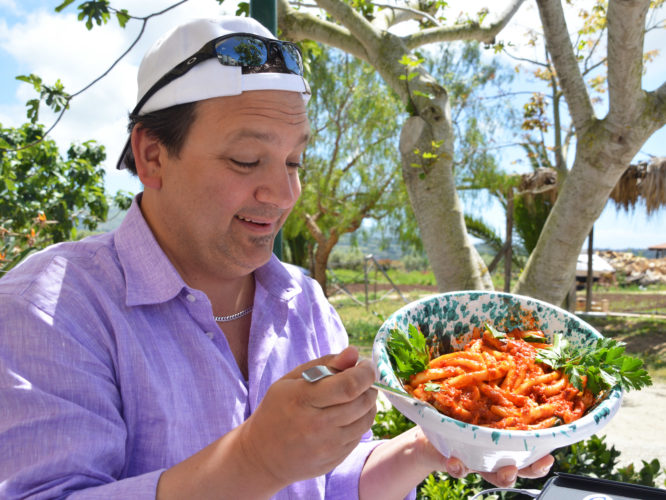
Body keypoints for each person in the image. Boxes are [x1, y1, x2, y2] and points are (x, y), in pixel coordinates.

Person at [0, 16, 553, 499]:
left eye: (293, 161)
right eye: (246, 159)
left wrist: (435, 443)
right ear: (152, 156)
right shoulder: (52, 309)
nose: (284, 194)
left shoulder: (303, 302)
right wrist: (253, 463)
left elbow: (331, 479)